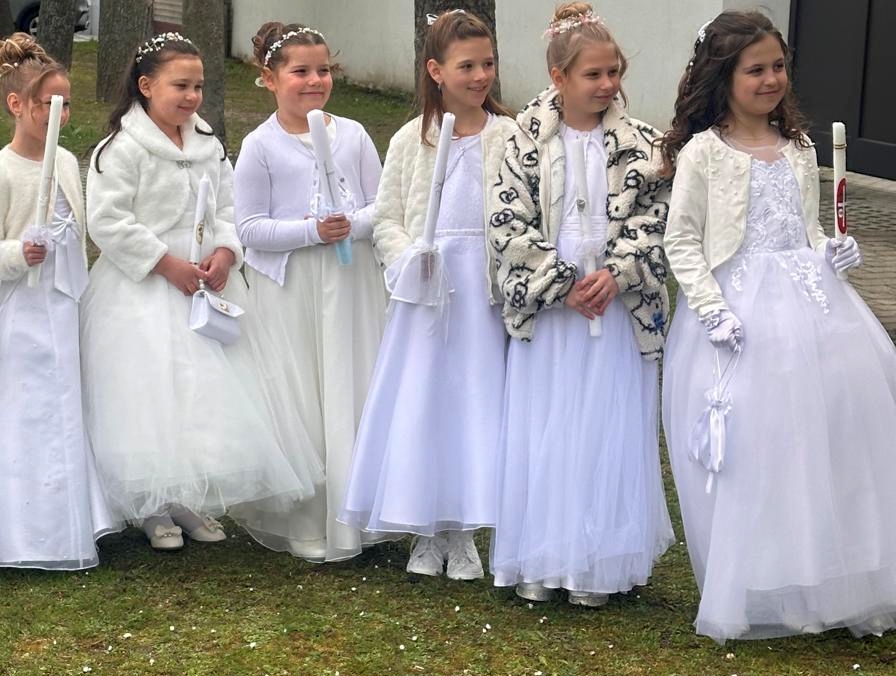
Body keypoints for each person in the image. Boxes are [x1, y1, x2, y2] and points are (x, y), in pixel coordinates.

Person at [660, 10, 896, 642]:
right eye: (755, 70)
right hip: (739, 310)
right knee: (761, 445)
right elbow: (682, 241)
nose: (771, 80)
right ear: (723, 77)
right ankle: (765, 576)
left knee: (827, 435)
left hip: (812, 304)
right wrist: (712, 309)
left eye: (778, 67)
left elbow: (807, 226)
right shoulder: (705, 154)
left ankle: (826, 573)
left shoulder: (800, 147)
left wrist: (831, 252)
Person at [81, 32, 318, 551]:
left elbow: (229, 208)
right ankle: (152, 505)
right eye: (180, 86)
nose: (192, 97)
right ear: (146, 86)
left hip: (205, 283)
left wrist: (226, 251)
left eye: (199, 86)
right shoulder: (121, 149)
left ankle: (188, 498)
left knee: (200, 392)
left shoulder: (209, 144)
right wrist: (164, 264)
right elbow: (108, 220)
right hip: (145, 287)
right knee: (151, 391)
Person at [486, 2, 674, 607]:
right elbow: (506, 222)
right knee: (550, 425)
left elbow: (657, 219)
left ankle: (599, 561)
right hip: (555, 310)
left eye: (614, 71)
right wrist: (561, 284)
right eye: (593, 74)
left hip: (614, 305)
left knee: (606, 426)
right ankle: (543, 555)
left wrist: (617, 275)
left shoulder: (643, 144)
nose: (607, 84)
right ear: (558, 76)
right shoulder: (521, 140)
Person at [338, 9, 517, 581]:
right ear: (436, 71)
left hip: (481, 288)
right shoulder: (410, 140)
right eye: (467, 66)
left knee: (474, 401)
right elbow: (387, 217)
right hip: (427, 288)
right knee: (425, 398)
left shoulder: (510, 137)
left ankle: (463, 529)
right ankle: (425, 525)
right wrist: (409, 257)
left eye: (488, 64)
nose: (480, 76)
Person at [0, 33, 120, 570]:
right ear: (17, 104)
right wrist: (18, 253)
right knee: (29, 403)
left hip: (68, 300)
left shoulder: (65, 160)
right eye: (50, 104)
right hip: (26, 306)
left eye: (66, 105)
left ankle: (77, 513)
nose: (60, 115)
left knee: (71, 398)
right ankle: (21, 527)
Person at [227, 21, 389, 563]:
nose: (315, 80)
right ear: (270, 78)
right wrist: (312, 231)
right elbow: (250, 228)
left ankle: (356, 511)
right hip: (293, 289)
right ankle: (305, 514)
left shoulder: (355, 135)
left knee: (350, 382)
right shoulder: (260, 146)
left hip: (351, 282)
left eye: (323, 70)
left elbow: (382, 205)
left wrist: (352, 224)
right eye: (300, 71)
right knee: (304, 397)